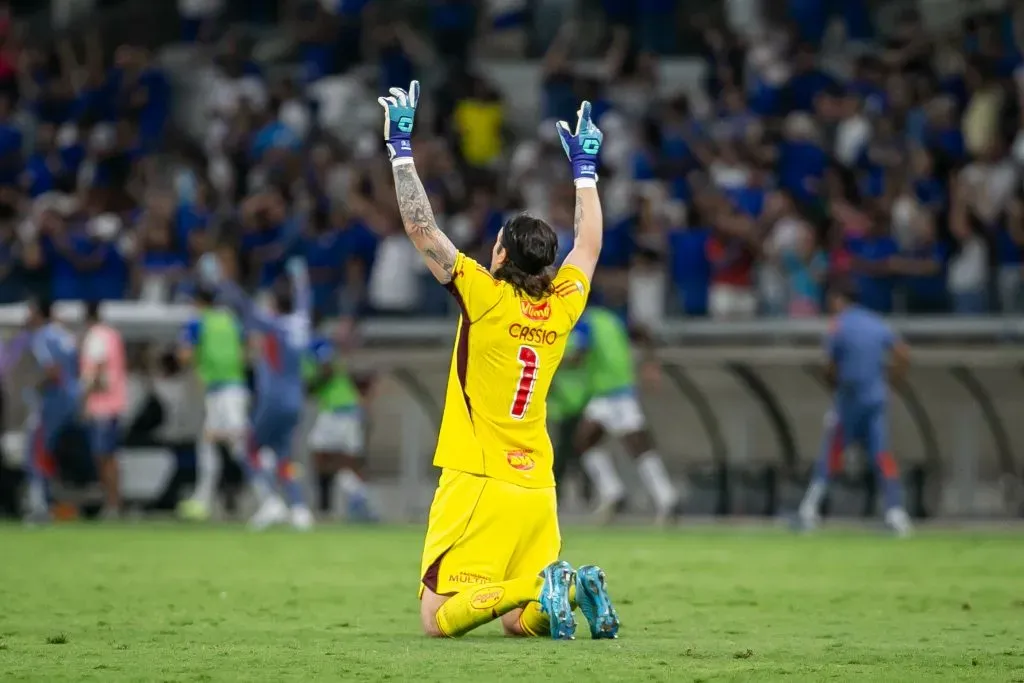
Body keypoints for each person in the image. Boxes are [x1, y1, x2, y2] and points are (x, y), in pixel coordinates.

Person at [378, 81, 619, 640]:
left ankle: (542, 585)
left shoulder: (484, 294)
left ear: (501, 253)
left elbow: (421, 228)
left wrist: (401, 148)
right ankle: (570, 585)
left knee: (437, 619)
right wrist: (585, 169)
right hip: (538, 482)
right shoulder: (561, 306)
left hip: (478, 476)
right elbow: (590, 247)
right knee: (517, 625)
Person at [203, 254, 314, 531]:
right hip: (296, 401)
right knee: (284, 455)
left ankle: (271, 501)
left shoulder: (273, 326)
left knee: (248, 448)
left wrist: (221, 280)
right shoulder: (300, 324)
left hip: (273, 400)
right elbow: (304, 300)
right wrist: (301, 278)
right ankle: (299, 509)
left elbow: (244, 305)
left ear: (275, 305)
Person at [797, 280, 913, 536]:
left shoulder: (839, 325)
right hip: (876, 398)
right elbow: (903, 352)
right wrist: (892, 379)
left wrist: (832, 382)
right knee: (883, 456)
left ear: (839, 299)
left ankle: (809, 510)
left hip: (849, 400)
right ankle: (896, 512)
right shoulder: (876, 322)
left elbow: (829, 364)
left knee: (831, 454)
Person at [571, 306, 681, 525]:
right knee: (587, 441)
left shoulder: (585, 324)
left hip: (611, 394)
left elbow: (579, 356)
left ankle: (664, 496)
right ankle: (616, 492)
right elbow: (642, 331)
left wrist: (554, 364)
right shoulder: (610, 317)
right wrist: (651, 361)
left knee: (636, 446)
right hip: (615, 391)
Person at [176, 284, 248, 521]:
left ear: (198, 301)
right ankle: (203, 500)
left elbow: (184, 354)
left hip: (220, 391)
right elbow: (245, 351)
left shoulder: (198, 322)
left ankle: (272, 497)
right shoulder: (230, 320)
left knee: (239, 445)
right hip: (234, 388)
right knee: (211, 443)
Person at [306, 324, 376, 521]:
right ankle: (358, 498)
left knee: (323, 456)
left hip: (337, 410)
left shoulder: (317, 345)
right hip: (347, 409)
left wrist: (309, 387)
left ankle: (335, 504)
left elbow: (326, 370)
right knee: (344, 460)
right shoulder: (320, 346)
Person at [22, 298, 81, 523]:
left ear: (38, 313)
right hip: (71, 400)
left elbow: (52, 370)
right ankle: (50, 502)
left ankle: (39, 507)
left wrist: (34, 386)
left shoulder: (42, 337)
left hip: (52, 402)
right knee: (51, 452)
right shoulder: (64, 334)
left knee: (35, 452)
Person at [80, 301, 128, 517]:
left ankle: (112, 502)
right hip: (115, 403)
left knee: (103, 456)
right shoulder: (113, 335)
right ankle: (113, 501)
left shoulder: (96, 336)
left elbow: (97, 372)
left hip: (101, 406)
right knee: (109, 455)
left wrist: (84, 399)